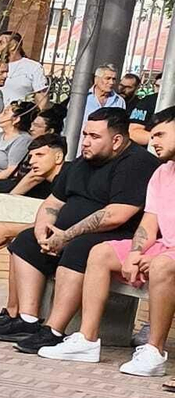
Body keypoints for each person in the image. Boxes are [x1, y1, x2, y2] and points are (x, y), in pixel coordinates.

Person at [0, 109, 159, 354]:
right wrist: (42, 231)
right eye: (85, 134)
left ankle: (54, 330)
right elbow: (53, 202)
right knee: (27, 241)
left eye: (94, 136)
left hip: (116, 238)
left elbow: (116, 214)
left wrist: (67, 235)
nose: (86, 141)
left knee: (80, 248)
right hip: (69, 235)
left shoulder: (137, 163)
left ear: (116, 140)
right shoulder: (82, 162)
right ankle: (27, 319)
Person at [38, 109, 175, 373]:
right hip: (165, 247)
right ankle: (87, 341)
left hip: (168, 256)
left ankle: (154, 352)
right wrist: (136, 252)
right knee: (100, 253)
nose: (152, 141)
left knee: (160, 266)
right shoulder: (162, 173)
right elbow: (150, 221)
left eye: (159, 134)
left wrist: (155, 257)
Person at [0, 134, 66, 199]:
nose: (31, 161)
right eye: (30, 157)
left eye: (40, 155)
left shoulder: (70, 181)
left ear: (58, 157)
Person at [0, 30, 47, 106]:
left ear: (13, 46)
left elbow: (41, 98)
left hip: (16, 115)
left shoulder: (33, 67)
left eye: (1, 42)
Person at [78, 64, 126, 145]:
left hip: (106, 148)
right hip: (82, 144)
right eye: (107, 78)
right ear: (96, 79)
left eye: (114, 79)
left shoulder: (119, 101)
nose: (111, 82)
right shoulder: (82, 98)